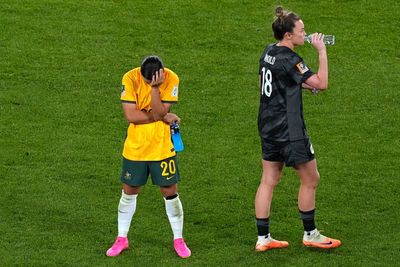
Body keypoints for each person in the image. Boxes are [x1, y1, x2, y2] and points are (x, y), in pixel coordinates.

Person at [254, 6, 341, 251]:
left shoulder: (268, 52)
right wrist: (321, 51)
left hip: (267, 126)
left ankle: (263, 239)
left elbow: (268, 81)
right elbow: (322, 84)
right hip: (289, 129)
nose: (306, 34)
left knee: (269, 179)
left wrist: (299, 85)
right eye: (301, 31)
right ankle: (311, 234)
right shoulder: (292, 59)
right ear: (289, 35)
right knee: (311, 179)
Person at [106, 55, 191, 258]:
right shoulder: (130, 77)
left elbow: (160, 110)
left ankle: (178, 239)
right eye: (146, 83)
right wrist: (160, 117)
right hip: (135, 147)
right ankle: (121, 238)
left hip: (162, 147)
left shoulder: (171, 79)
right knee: (129, 191)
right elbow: (131, 115)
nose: (147, 84)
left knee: (170, 192)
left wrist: (155, 90)